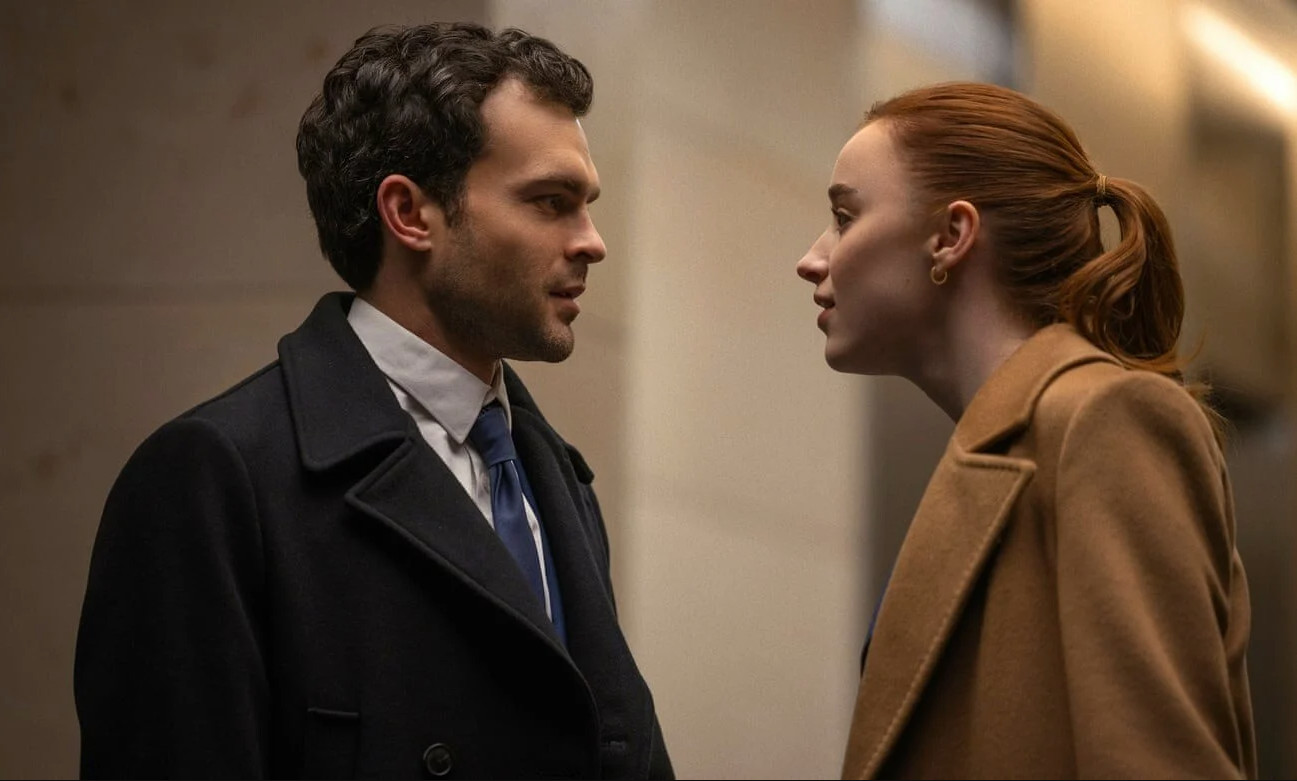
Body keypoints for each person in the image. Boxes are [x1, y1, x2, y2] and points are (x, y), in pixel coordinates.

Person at [75, 22, 673, 780]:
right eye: (551, 202)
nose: (592, 241)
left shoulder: (556, 477)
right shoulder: (216, 477)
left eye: (586, 204)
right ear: (410, 214)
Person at [796, 82, 1256, 779]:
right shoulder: (1009, 444)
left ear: (950, 236)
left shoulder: (1105, 418)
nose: (812, 258)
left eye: (843, 217)